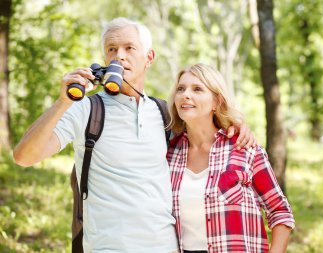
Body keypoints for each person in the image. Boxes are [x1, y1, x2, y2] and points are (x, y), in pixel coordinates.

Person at [13, 18, 255, 252]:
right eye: (111, 49)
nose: (119, 55)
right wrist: (62, 102)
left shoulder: (164, 114)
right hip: (107, 248)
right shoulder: (85, 109)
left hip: (165, 246)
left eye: (130, 48)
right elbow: (24, 156)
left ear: (149, 57)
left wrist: (235, 126)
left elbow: (205, 135)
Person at [167, 63, 295, 253]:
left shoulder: (244, 148)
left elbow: (280, 212)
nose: (185, 94)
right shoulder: (168, 154)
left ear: (216, 101)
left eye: (197, 89)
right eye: (180, 89)